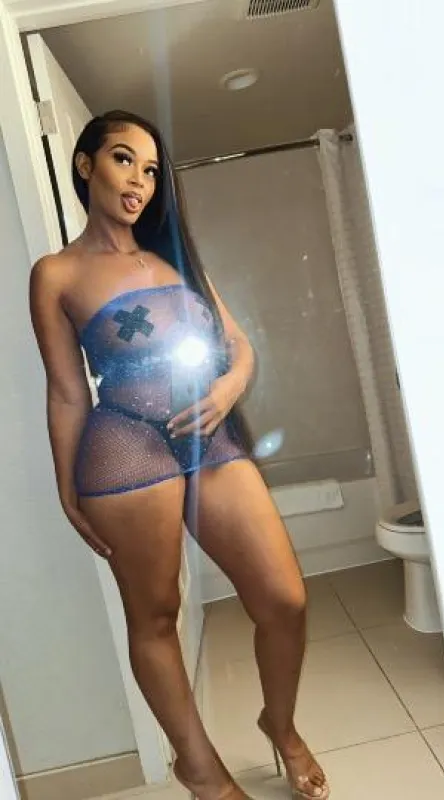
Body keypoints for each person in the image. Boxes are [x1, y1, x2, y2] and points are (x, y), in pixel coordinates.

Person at [29, 110, 329, 800]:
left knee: (283, 598)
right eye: (123, 159)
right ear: (85, 165)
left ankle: (280, 727)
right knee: (156, 614)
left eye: (150, 169)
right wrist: (65, 486)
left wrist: (227, 386)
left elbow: (240, 346)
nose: (139, 180)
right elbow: (68, 392)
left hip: (210, 436)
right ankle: (201, 770)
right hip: (122, 445)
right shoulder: (56, 273)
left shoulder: (175, 259)